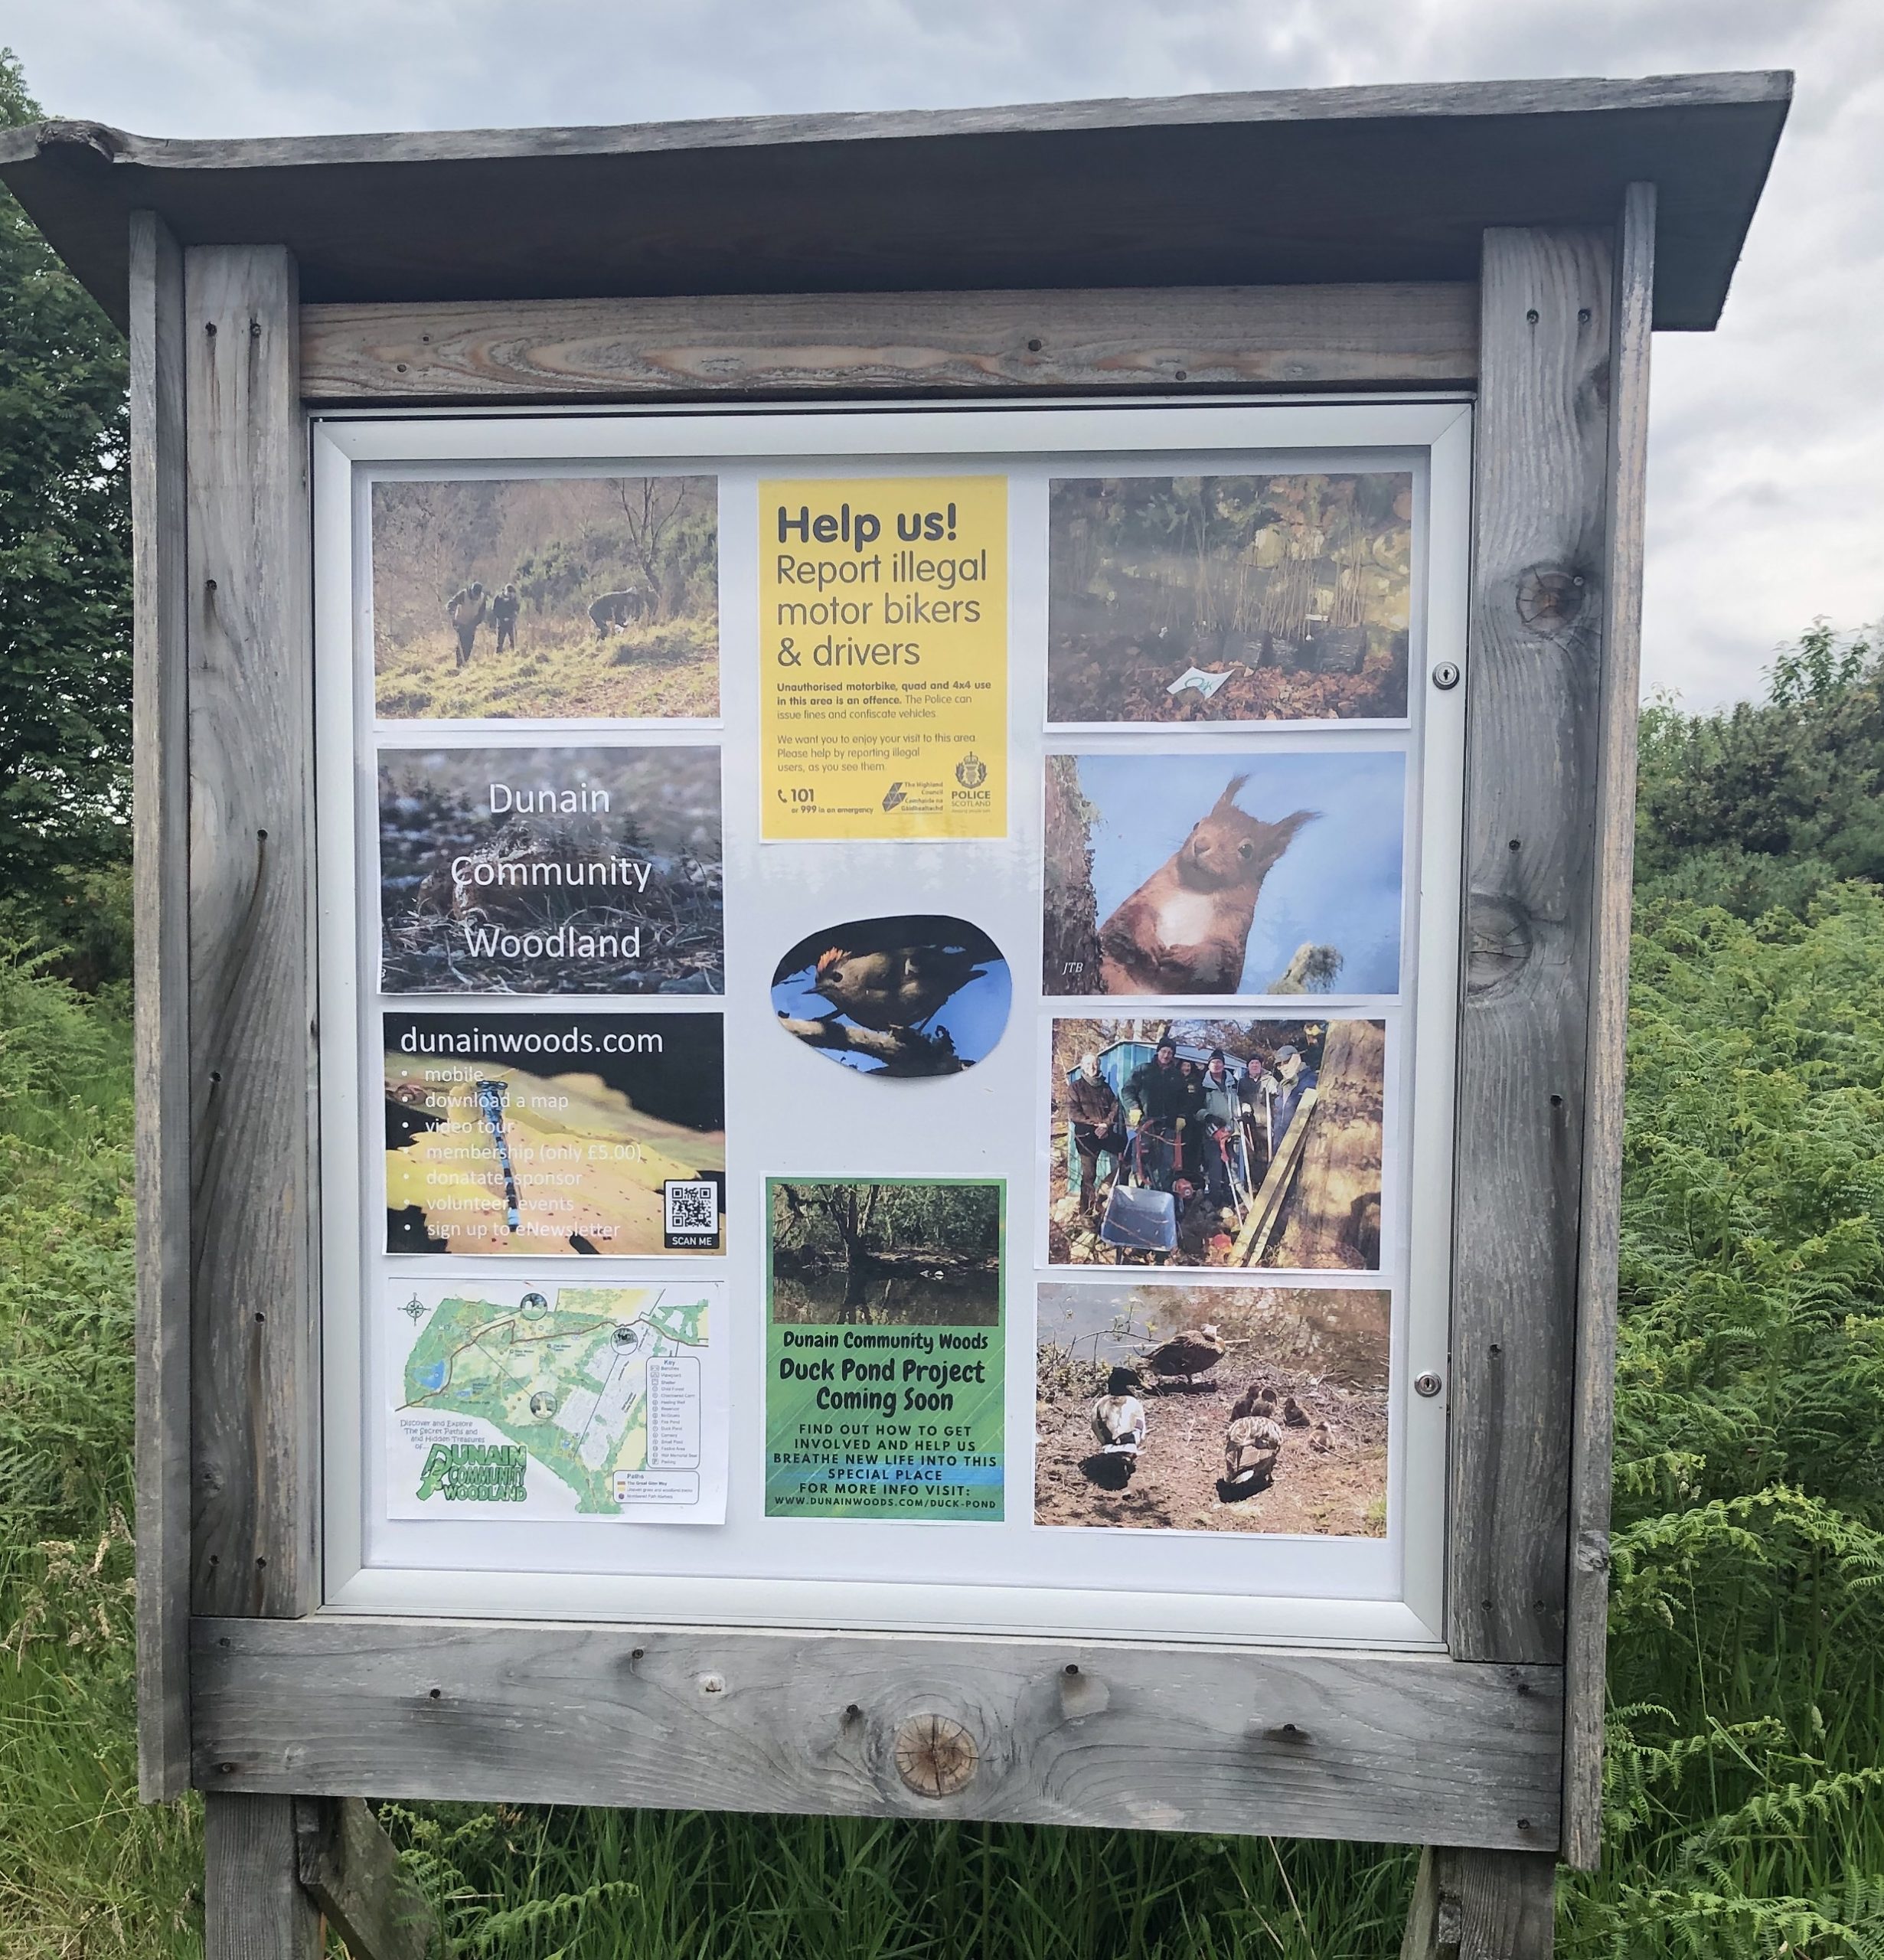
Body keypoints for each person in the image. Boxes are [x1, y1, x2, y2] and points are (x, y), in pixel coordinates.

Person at [1125, 1038, 1192, 1193]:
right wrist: (1134, 1108)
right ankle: (1136, 1195)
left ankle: (1163, 1197)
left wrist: (1181, 1116)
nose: (1166, 1055)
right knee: (1141, 1162)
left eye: (1170, 1052)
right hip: (1145, 1126)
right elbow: (1127, 1091)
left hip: (1167, 1126)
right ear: (1158, 1052)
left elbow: (1185, 1100)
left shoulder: (1177, 1076)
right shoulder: (1143, 1070)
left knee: (1166, 1163)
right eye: (1164, 1051)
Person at [1063, 1052, 1125, 1215]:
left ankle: (1111, 1198)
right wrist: (1095, 1125)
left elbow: (1115, 1107)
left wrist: (1106, 1124)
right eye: (1089, 1064)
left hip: (1105, 1132)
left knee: (1126, 1153)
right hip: (1086, 1137)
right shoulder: (1075, 1087)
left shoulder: (1105, 1087)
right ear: (1083, 1067)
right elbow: (1074, 1114)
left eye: (1095, 1064)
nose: (1093, 1067)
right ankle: (1086, 1213)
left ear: (1099, 1065)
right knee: (1089, 1175)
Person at [1197, 1047, 1242, 1210]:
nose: (1216, 1065)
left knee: (1235, 1164)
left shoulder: (1233, 1084)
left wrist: (1245, 1111)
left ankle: (1234, 1196)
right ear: (1209, 1065)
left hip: (1233, 1130)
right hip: (1213, 1132)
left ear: (1224, 1065)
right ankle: (1215, 1199)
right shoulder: (1203, 1086)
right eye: (1213, 1062)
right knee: (1215, 1165)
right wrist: (1208, 1117)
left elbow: (1240, 1102)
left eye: (1219, 1062)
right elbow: (1196, 1109)